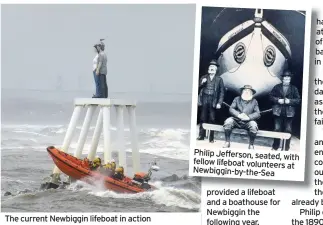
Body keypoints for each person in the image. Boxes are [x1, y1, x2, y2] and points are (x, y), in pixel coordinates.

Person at [269, 70, 301, 151]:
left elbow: (298, 100)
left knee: (288, 130)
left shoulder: (294, 88)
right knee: (277, 129)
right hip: (278, 111)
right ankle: (275, 147)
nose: (286, 79)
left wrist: (289, 101)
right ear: (282, 79)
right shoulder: (277, 87)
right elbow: (270, 96)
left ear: (290, 79)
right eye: (285, 78)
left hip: (289, 112)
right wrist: (277, 100)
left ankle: (286, 148)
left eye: (288, 78)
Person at [223, 85, 260, 149]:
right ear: (242, 92)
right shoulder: (237, 99)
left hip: (248, 122)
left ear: (252, 93)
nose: (247, 92)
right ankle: (227, 142)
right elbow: (231, 109)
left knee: (254, 125)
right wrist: (238, 115)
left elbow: (258, 113)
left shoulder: (254, 101)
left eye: (249, 91)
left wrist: (248, 117)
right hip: (236, 120)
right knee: (228, 122)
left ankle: (251, 145)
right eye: (245, 90)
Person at [197, 60, 225, 143]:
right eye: (210, 68)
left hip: (214, 100)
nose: (211, 69)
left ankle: (211, 138)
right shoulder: (204, 77)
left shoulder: (219, 79)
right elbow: (198, 88)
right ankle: (201, 135)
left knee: (212, 118)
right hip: (204, 98)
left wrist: (219, 103)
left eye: (213, 68)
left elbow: (222, 92)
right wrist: (202, 83)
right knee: (202, 117)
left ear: (216, 70)